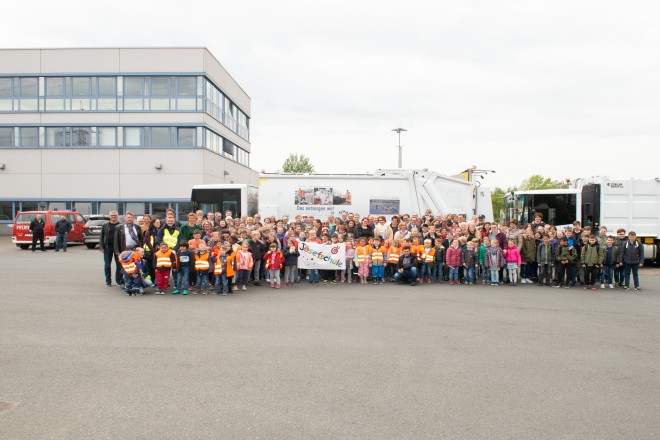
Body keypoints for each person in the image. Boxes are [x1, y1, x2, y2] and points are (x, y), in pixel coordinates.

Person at [100, 211, 123, 287]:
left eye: (115, 215)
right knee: (107, 265)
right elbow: (101, 237)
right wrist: (101, 247)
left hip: (118, 248)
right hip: (107, 247)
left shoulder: (121, 225)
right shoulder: (105, 225)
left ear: (117, 216)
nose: (113, 217)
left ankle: (119, 280)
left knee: (119, 265)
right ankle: (108, 281)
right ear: (109, 216)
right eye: (112, 215)